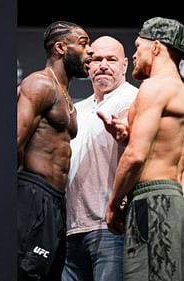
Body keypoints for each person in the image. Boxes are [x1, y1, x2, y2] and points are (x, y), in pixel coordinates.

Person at [104, 17, 184, 281]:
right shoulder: (179, 91)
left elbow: (136, 156)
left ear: (157, 47)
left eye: (138, 46)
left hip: (153, 202)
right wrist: (129, 133)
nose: (135, 54)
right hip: (174, 199)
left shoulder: (154, 86)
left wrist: (114, 206)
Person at [17, 21, 93, 280]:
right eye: (83, 44)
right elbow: (14, 140)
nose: (90, 52)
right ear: (61, 47)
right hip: (33, 193)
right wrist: (22, 198)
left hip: (56, 200)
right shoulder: (39, 84)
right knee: (26, 270)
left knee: (49, 274)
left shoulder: (66, 95)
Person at [62, 36, 138, 281]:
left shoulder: (134, 99)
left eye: (111, 59)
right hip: (71, 228)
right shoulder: (77, 109)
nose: (103, 64)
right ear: (88, 65)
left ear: (125, 65)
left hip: (111, 228)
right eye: (96, 59)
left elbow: (128, 124)